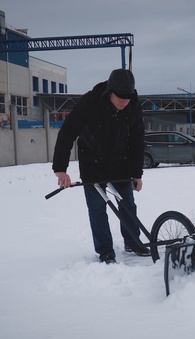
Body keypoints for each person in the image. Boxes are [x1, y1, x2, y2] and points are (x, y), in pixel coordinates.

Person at [52, 68, 148, 264]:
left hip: (120, 162)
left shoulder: (133, 106)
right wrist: (60, 169)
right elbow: (68, 132)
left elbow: (137, 141)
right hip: (92, 162)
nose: (123, 102)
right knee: (97, 208)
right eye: (119, 97)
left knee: (127, 203)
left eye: (127, 98)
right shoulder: (90, 102)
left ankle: (132, 241)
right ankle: (105, 251)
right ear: (109, 92)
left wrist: (137, 174)